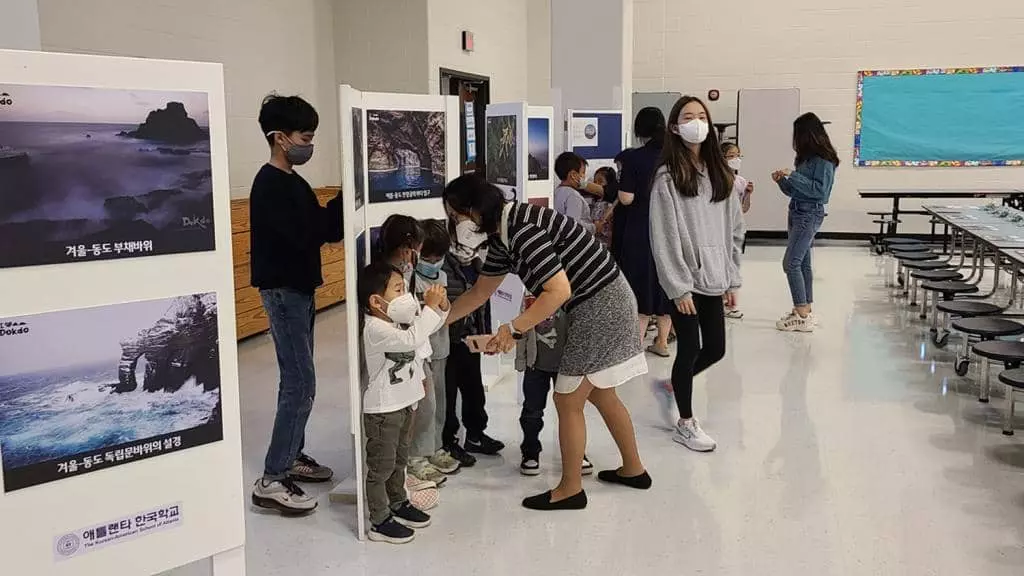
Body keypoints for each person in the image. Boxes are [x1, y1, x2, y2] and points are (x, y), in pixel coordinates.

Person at [442, 174, 652, 511]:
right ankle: (633, 469)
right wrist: (435, 323)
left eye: (457, 216)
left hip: (599, 305)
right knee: (600, 392)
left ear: (476, 209)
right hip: (601, 301)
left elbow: (558, 290)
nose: (457, 224)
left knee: (567, 399)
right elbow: (479, 293)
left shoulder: (523, 228)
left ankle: (570, 489)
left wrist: (513, 330)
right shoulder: (503, 238)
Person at [249, 94, 343, 514]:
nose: (310, 144)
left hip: (299, 291)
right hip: (283, 292)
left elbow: (321, 227)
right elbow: (312, 232)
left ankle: (292, 457)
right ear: (280, 138)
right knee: (299, 382)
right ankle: (272, 477)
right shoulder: (270, 185)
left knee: (302, 380)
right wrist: (340, 206)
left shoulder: (293, 183)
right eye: (305, 137)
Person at [649, 96, 745, 453]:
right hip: (685, 281)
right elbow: (664, 236)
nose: (696, 122)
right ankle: (685, 423)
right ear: (675, 127)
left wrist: (731, 278)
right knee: (689, 348)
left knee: (716, 349)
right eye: (688, 117)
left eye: (701, 116)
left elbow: (735, 228)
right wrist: (678, 287)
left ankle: (675, 383)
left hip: (716, 276)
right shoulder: (667, 178)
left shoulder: (720, 173)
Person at [358, 260, 446, 544]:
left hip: (405, 403)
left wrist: (440, 307)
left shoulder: (394, 320)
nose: (406, 295)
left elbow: (423, 333)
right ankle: (379, 519)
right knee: (381, 466)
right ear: (376, 301)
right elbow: (412, 338)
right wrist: (430, 309)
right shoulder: (375, 329)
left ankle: (399, 502)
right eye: (398, 289)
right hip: (384, 410)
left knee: (399, 460)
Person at [375, 215, 448, 487]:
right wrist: (430, 308)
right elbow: (407, 323)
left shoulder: (406, 273)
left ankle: (415, 458)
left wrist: (438, 307)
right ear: (408, 247)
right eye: (417, 248)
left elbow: (425, 318)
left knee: (426, 406)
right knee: (408, 412)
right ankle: (407, 464)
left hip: (419, 353)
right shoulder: (384, 278)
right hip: (400, 356)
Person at [515, 293, 595, 476]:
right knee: (532, 411)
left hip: (568, 366)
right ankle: (530, 452)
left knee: (571, 412)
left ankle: (576, 453)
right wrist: (521, 359)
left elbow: (585, 328)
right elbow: (521, 326)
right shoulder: (529, 295)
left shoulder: (575, 292)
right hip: (536, 365)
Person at [772, 112, 838, 333]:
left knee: (790, 263)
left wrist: (795, 175)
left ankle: (801, 314)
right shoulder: (805, 159)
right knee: (803, 263)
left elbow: (821, 192)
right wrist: (783, 181)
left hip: (809, 214)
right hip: (797, 210)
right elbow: (795, 190)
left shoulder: (824, 161)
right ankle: (805, 309)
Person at [442, 234, 503, 461]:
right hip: (448, 341)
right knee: (447, 395)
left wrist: (484, 333)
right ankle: (448, 442)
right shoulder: (444, 265)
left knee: (474, 391)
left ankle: (476, 435)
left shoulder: (479, 265)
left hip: (471, 340)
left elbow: (483, 302)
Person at [618, 107, 674, 357]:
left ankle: (634, 346)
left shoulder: (634, 158)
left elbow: (626, 198)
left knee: (640, 284)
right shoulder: (675, 156)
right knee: (665, 283)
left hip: (640, 227)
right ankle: (662, 342)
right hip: (671, 229)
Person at [411, 220, 462, 477]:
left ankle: (436, 447)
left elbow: (445, 313)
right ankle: (416, 454)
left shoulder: (441, 276)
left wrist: (443, 307)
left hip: (440, 347)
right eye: (429, 257)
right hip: (420, 352)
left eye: (439, 257)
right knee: (425, 405)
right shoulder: (409, 279)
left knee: (441, 402)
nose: (434, 262)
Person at [721, 141, 754, 319]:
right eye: (731, 156)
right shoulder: (717, 179)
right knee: (720, 266)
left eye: (738, 155)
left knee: (733, 265)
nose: (736, 159)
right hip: (720, 230)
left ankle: (732, 303)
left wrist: (748, 194)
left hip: (736, 230)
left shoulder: (740, 181)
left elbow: (744, 209)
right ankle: (720, 300)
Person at [553, 152, 596, 233]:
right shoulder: (573, 196)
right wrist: (594, 227)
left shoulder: (556, 192)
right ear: (573, 175)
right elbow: (573, 225)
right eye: (583, 172)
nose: (584, 177)